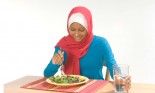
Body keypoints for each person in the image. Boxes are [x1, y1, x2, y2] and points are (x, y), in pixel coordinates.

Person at [44, 6, 131, 90]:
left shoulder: (101, 44)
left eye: (81, 30)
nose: (77, 34)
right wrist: (54, 64)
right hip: (69, 89)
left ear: (88, 27)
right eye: (72, 29)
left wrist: (123, 81)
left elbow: (113, 68)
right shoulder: (63, 45)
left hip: (95, 90)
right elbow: (47, 74)